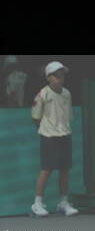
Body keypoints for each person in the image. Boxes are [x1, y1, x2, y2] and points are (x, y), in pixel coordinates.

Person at [30, 61, 78, 217]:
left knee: (65, 169)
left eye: (62, 75)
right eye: (56, 76)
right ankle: (37, 204)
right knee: (47, 168)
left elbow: (67, 116)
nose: (60, 79)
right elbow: (35, 118)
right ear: (48, 77)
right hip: (48, 136)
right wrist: (46, 130)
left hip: (65, 134)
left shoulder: (67, 94)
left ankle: (63, 203)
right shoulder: (42, 95)